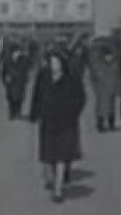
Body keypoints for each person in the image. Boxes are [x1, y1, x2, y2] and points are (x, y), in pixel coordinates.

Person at [30, 53, 86, 203]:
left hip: (66, 123)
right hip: (48, 122)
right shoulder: (43, 77)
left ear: (62, 64)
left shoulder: (72, 79)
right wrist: (34, 114)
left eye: (56, 62)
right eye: (51, 62)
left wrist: (73, 113)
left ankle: (58, 190)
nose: (54, 65)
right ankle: (50, 175)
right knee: (48, 157)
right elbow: (37, 95)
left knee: (61, 157)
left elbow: (81, 98)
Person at [88, 46, 120, 132]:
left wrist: (117, 88)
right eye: (107, 56)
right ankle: (100, 124)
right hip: (101, 90)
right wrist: (95, 88)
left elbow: (117, 77)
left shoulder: (114, 65)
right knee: (101, 108)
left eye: (110, 56)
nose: (109, 58)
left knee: (111, 108)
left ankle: (111, 124)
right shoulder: (100, 66)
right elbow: (93, 78)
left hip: (111, 90)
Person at [1, 47, 31, 121]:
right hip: (11, 81)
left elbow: (27, 69)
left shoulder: (25, 59)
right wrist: (4, 80)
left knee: (19, 97)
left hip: (20, 81)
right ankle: (12, 112)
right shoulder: (7, 60)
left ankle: (17, 112)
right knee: (11, 97)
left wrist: (26, 79)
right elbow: (3, 71)